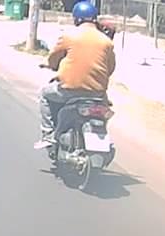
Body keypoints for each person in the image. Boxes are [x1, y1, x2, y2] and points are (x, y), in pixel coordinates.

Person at [35, 1, 117, 149]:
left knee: (44, 95)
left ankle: (48, 135)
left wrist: (50, 65)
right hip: (97, 94)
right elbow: (110, 68)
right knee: (105, 108)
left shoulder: (68, 36)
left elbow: (53, 58)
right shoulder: (106, 42)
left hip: (70, 90)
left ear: (77, 18)